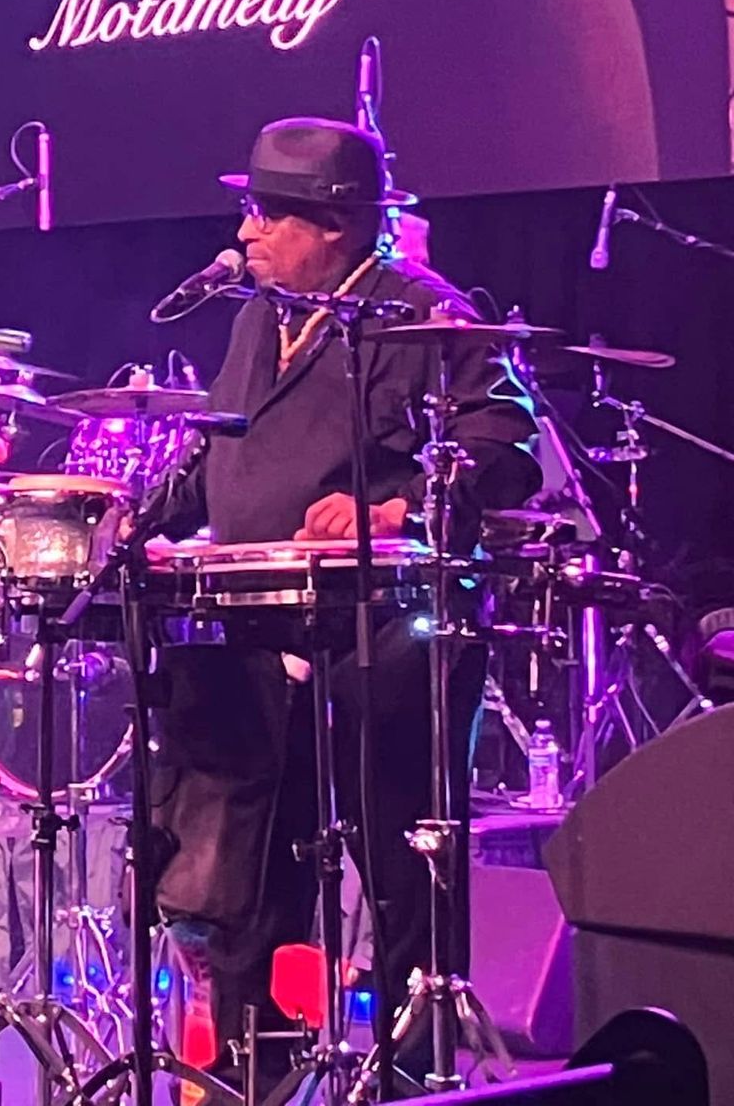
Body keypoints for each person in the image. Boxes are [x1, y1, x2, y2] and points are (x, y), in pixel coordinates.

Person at [149, 117, 540, 1093]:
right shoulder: (259, 316)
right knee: (255, 870)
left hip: (385, 627)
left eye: (267, 213)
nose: (246, 230)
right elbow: (222, 454)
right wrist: (141, 524)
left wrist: (396, 508)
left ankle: (411, 1075)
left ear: (335, 224)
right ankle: (257, 1076)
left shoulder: (423, 314)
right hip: (259, 626)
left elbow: (508, 443)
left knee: (400, 865)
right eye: (249, 210)